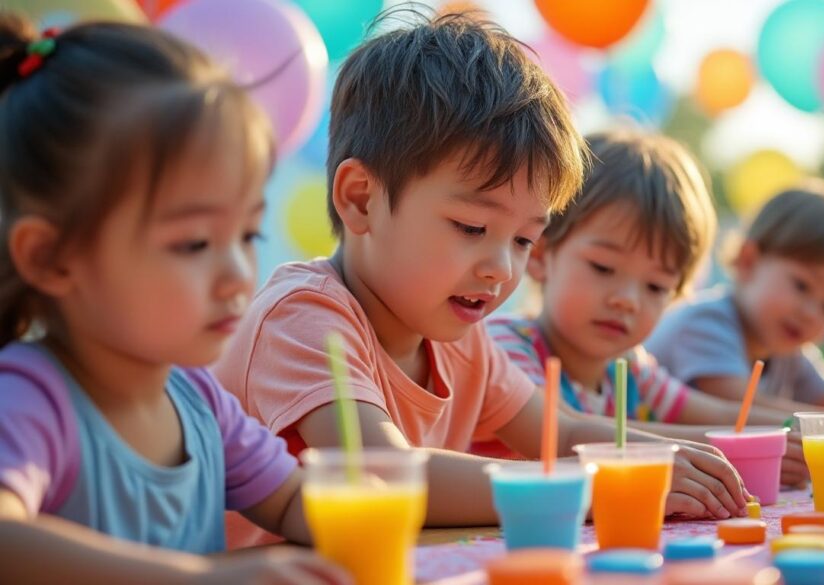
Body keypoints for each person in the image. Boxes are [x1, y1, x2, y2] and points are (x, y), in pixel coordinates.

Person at [214, 11, 749, 535]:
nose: (502, 268)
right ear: (362, 200)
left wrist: (700, 452)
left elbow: (563, 431)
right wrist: (600, 483)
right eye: (472, 227)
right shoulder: (306, 317)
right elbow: (381, 475)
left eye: (523, 240)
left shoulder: (460, 340)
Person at [0, 15, 350, 583]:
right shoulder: (30, 398)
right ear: (49, 258)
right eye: (193, 243)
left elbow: (289, 501)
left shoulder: (196, 398)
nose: (239, 275)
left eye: (247, 235)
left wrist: (374, 510)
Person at [483, 129, 809, 488]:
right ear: (541, 255)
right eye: (603, 267)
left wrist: (800, 432)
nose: (628, 300)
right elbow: (566, 430)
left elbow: (719, 413)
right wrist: (718, 447)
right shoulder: (504, 346)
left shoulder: (630, 373)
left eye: (655, 286)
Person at [646, 182, 824, 445]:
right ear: (748, 261)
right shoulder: (704, 324)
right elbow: (741, 405)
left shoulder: (789, 352)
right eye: (802, 286)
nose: (812, 314)